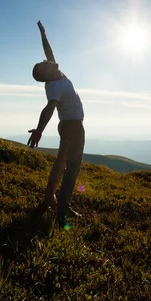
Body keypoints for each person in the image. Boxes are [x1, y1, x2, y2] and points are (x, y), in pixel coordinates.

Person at [28, 21, 85, 223]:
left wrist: (43, 33)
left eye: (47, 61)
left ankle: (49, 196)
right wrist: (39, 130)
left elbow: (48, 50)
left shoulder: (55, 73)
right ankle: (63, 209)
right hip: (72, 128)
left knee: (61, 163)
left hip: (68, 126)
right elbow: (49, 108)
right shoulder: (53, 87)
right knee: (73, 167)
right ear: (46, 75)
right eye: (46, 64)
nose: (49, 61)